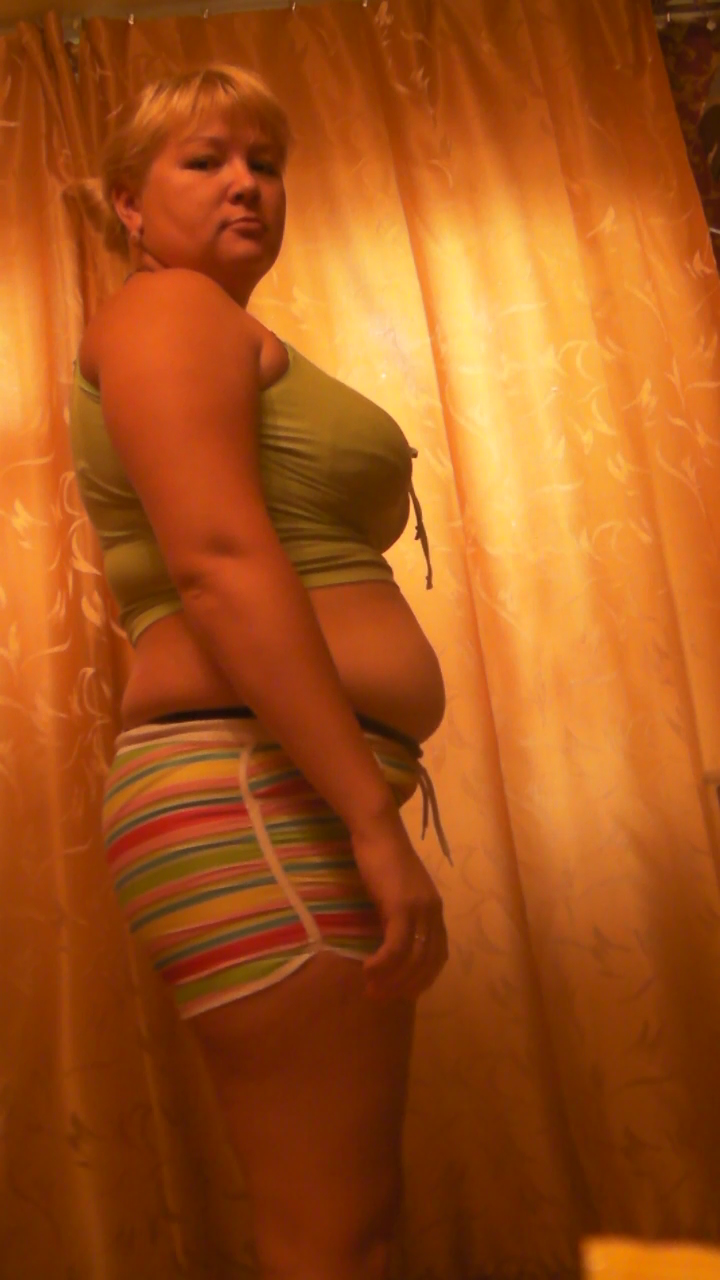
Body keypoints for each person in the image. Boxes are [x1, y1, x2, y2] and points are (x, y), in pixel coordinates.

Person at [68, 62, 450, 1280]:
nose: (246, 184)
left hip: (269, 784)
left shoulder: (212, 325)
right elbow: (220, 563)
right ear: (130, 203)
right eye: (206, 160)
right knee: (332, 1236)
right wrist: (370, 823)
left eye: (265, 163)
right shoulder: (168, 310)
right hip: (259, 790)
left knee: (345, 1226)